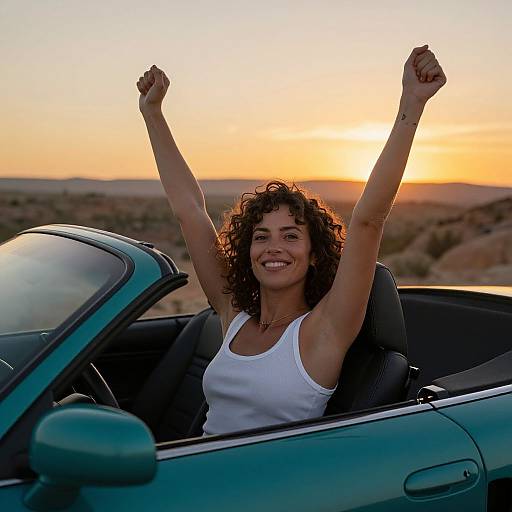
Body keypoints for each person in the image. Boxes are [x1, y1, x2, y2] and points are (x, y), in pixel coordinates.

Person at [136, 45, 446, 436]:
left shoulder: (324, 333)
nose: (273, 248)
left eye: (291, 236)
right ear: (248, 251)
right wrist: (153, 114)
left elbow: (369, 219)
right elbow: (189, 210)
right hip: (195, 474)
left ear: (314, 255)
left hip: (264, 491)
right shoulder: (232, 315)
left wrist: (411, 106)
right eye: (261, 236)